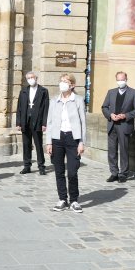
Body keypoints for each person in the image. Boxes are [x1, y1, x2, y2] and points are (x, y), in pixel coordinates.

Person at [46, 73, 86, 213]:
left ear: (72, 85)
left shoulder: (78, 100)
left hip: (72, 139)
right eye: (61, 81)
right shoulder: (54, 101)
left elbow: (82, 123)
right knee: (59, 171)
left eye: (65, 81)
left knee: (73, 172)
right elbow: (49, 122)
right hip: (57, 138)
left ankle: (74, 200)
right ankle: (62, 199)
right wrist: (48, 142)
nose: (62, 84)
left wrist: (81, 142)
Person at [101, 71, 135, 183]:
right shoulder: (111, 92)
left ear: (126, 79)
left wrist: (126, 115)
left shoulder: (133, 93)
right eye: (118, 80)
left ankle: (123, 173)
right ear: (116, 80)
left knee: (124, 150)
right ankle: (114, 172)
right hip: (112, 125)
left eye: (122, 79)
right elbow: (104, 107)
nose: (120, 82)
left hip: (124, 125)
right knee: (112, 150)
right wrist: (110, 115)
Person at [16, 71, 49, 175]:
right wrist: (18, 122)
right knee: (26, 144)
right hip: (25, 121)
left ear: (36, 78)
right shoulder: (24, 91)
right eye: (28, 78)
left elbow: (46, 108)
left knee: (38, 144)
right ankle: (27, 165)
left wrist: (44, 123)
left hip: (37, 122)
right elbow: (19, 107)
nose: (31, 79)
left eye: (32, 77)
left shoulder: (43, 91)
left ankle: (41, 166)